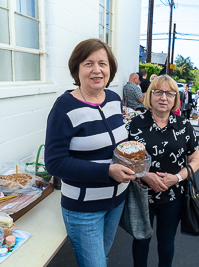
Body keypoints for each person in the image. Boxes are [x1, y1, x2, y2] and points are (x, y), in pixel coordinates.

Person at [45, 38, 136, 266]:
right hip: (84, 210)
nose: (97, 70)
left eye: (102, 63)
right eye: (88, 63)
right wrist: (107, 171)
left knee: (100, 258)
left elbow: (114, 143)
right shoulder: (64, 107)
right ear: (77, 69)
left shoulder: (114, 100)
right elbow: (55, 163)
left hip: (117, 202)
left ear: (110, 69)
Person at [126, 75, 199, 267]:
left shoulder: (184, 126)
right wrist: (144, 174)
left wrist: (176, 178)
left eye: (169, 93)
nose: (163, 97)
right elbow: (124, 159)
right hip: (141, 195)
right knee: (141, 240)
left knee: (167, 243)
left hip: (173, 197)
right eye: (158, 92)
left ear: (175, 98)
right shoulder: (134, 125)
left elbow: (195, 160)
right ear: (150, 95)